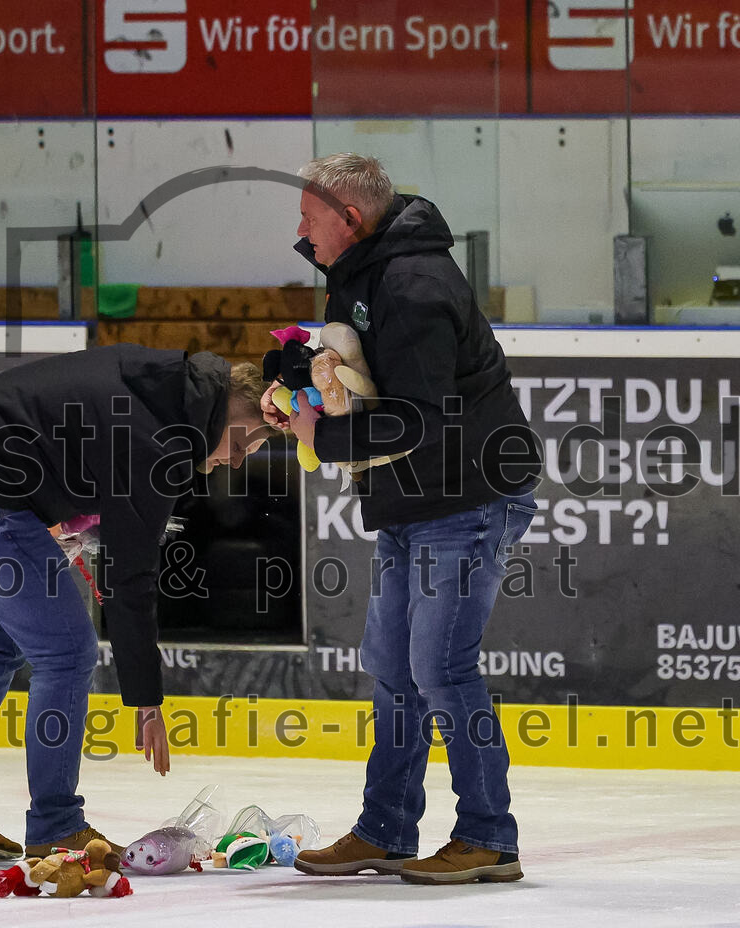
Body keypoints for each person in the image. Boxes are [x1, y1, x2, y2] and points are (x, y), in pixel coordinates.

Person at [265, 154, 541, 884]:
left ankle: (489, 837)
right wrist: (292, 382)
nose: (299, 230)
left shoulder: (413, 285)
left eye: (309, 217)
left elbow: (420, 417)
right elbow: (355, 363)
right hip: (414, 498)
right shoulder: (361, 268)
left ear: (350, 219)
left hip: (470, 494)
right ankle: (385, 830)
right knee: (392, 667)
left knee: (440, 666)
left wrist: (320, 440)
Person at [0, 344, 270, 861]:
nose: (236, 457)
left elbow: (67, 438)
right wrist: (147, 700)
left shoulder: (154, 385)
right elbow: (130, 578)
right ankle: (55, 823)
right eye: (246, 438)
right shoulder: (159, 437)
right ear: (227, 403)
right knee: (67, 654)